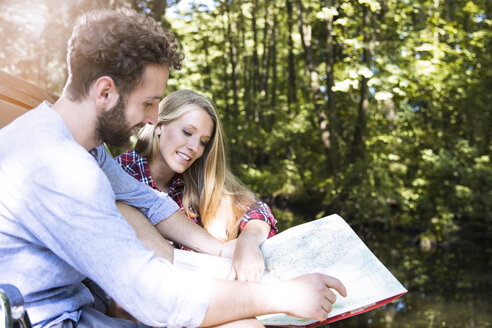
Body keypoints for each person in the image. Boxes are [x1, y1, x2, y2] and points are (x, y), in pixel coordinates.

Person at [0, 8, 346, 328]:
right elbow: (157, 299)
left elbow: (148, 200)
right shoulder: (61, 170)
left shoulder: (83, 147)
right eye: (148, 103)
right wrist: (285, 296)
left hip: (81, 308)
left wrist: (226, 250)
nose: (153, 118)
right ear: (105, 91)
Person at [115, 89, 277, 282]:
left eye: (203, 142)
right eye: (187, 132)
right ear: (159, 125)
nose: (194, 148)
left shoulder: (193, 180)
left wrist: (248, 240)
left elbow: (258, 210)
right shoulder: (121, 174)